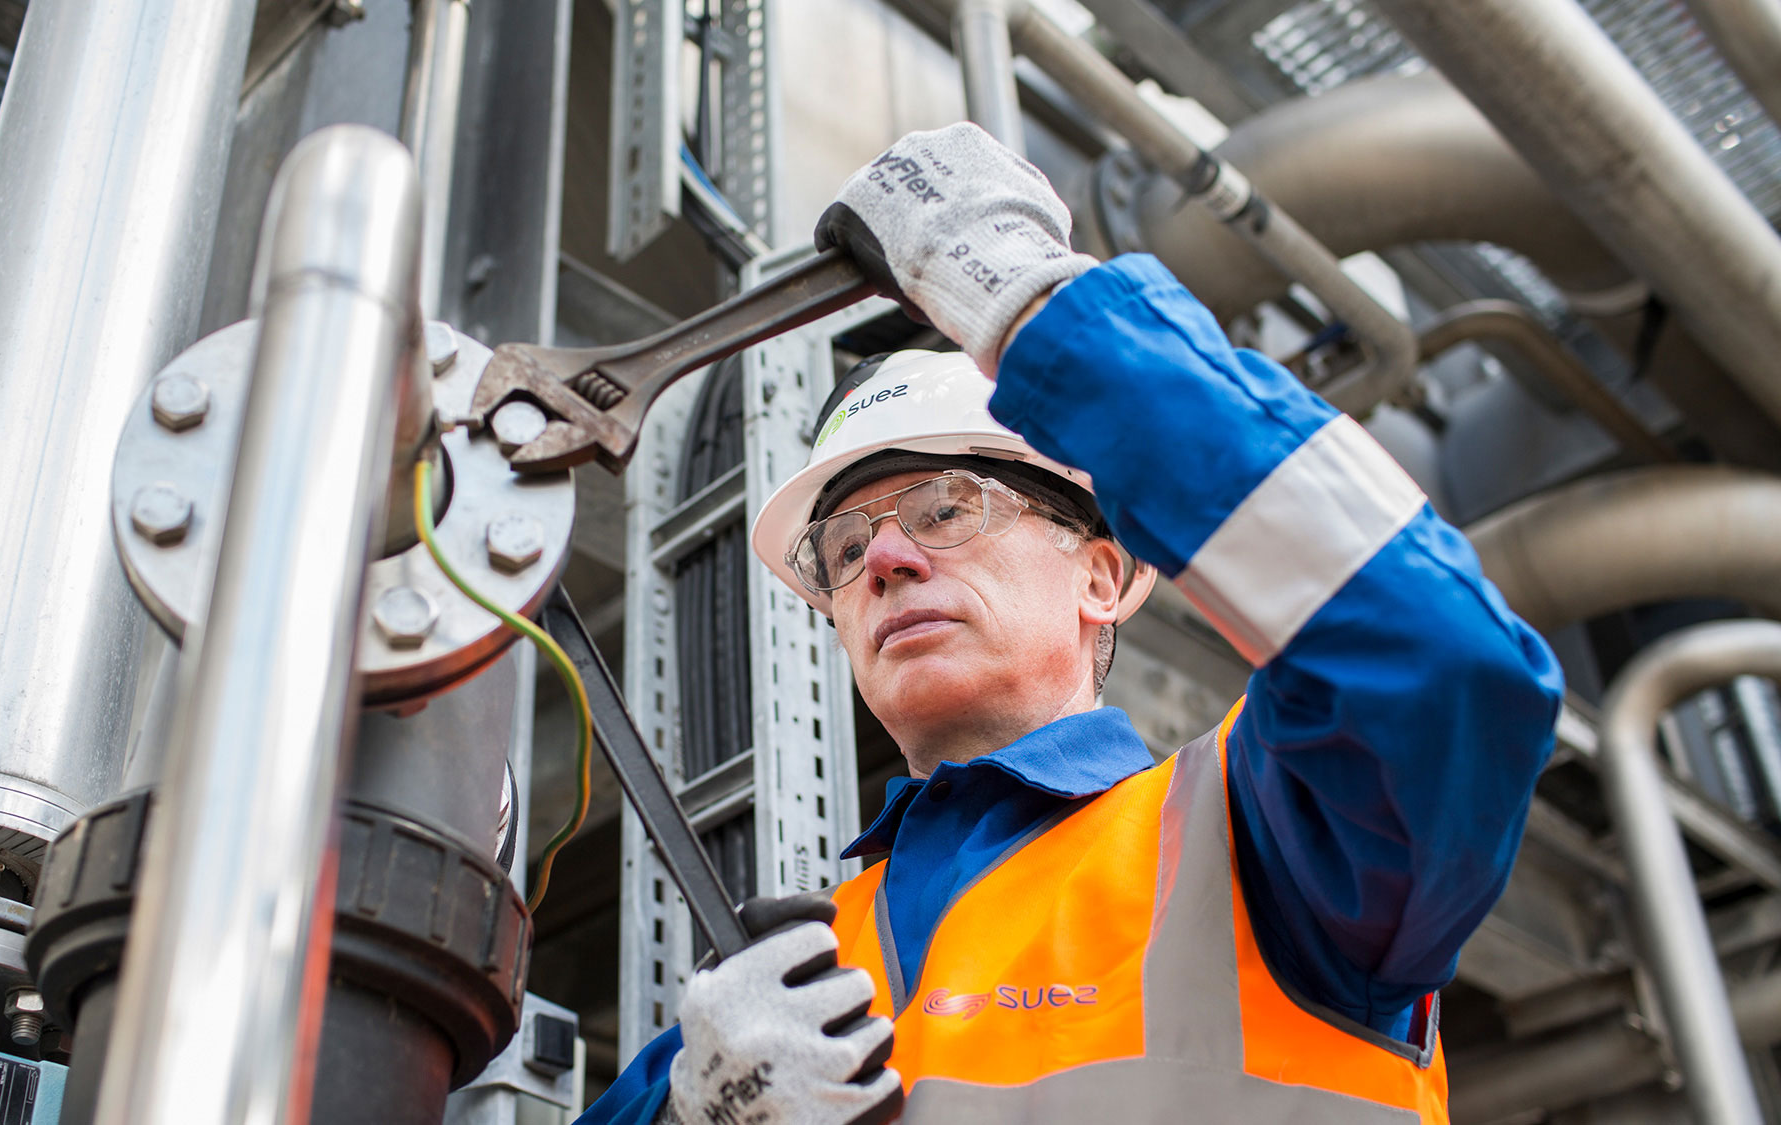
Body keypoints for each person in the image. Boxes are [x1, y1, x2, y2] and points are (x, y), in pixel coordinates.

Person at [579, 123, 1564, 1125]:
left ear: (1104, 575)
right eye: (844, 547)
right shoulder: (773, 995)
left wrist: (1030, 302)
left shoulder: (1265, 847)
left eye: (946, 509)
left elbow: (1442, 660)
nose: (882, 560)